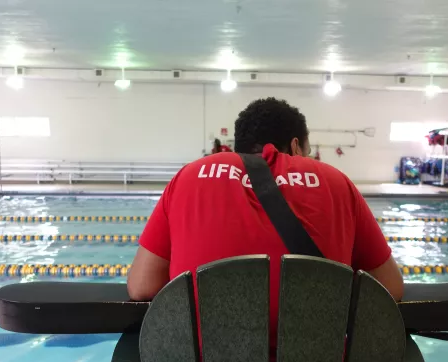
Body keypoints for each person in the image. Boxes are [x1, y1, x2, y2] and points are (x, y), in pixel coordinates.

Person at [128, 96, 404, 324]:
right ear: (296, 145)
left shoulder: (189, 177)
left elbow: (142, 287)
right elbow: (390, 288)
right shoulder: (336, 182)